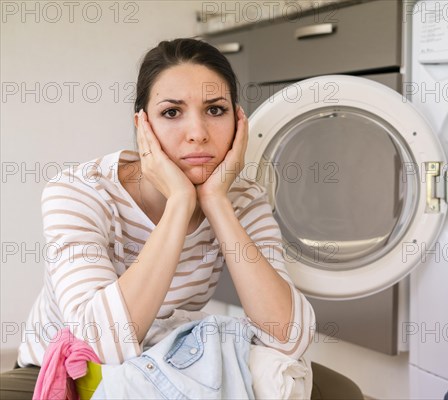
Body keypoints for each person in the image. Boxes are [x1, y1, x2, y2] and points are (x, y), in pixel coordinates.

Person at [0, 38, 317, 399]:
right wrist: (180, 203)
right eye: (171, 112)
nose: (197, 133)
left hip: (165, 359)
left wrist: (216, 203)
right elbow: (99, 344)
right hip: (60, 372)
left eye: (215, 110)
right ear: (143, 124)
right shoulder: (77, 191)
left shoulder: (242, 199)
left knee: (340, 389)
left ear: (237, 120)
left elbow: (289, 338)